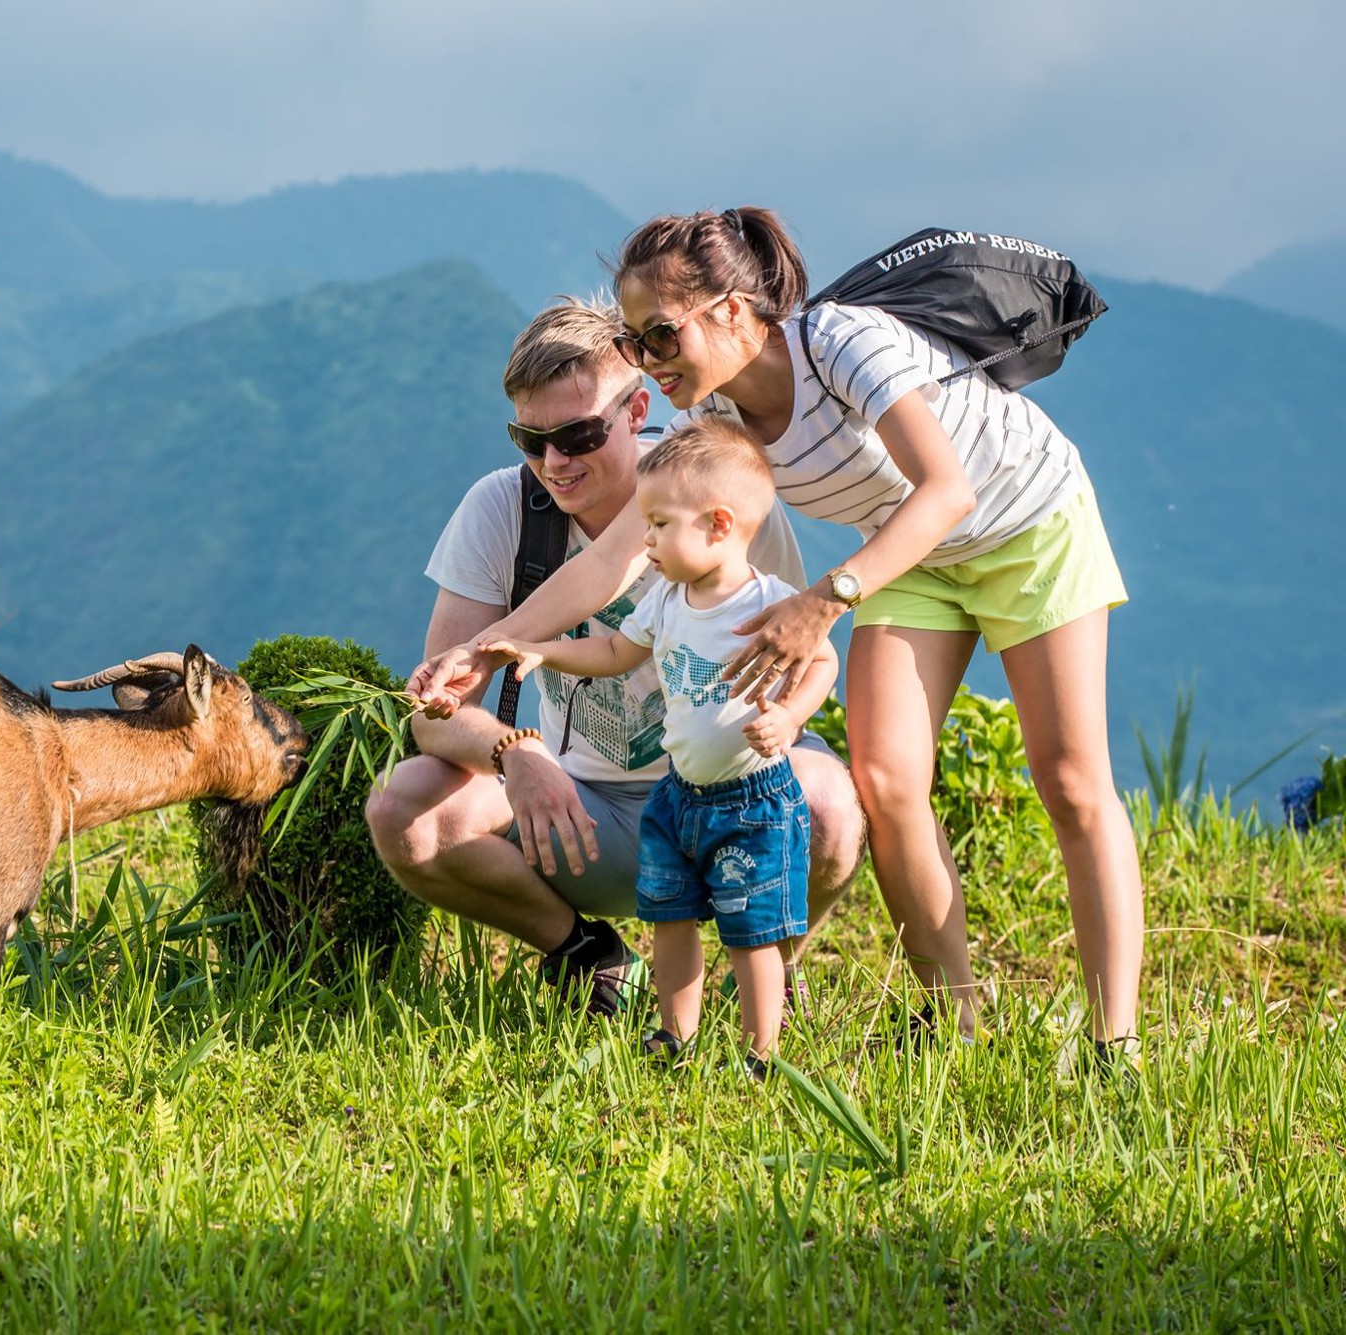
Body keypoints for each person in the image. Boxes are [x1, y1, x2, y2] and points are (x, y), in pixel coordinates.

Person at [412, 210, 1143, 1069]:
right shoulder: (714, 416)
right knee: (884, 778)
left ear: (729, 309)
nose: (650, 361)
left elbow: (947, 491)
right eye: (635, 341)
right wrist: (493, 644)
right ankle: (958, 1026)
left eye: (660, 334)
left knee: (1070, 780)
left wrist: (827, 599)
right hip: (909, 556)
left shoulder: (843, 344)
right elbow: (614, 560)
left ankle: (1113, 1043)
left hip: (1024, 524)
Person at [365, 298, 864, 1017]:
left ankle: (762, 969)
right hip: (587, 813)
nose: (554, 463)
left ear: (636, 413)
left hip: (733, 799)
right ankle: (586, 954)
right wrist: (516, 754)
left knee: (829, 806)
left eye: (579, 435)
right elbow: (436, 715)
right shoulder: (499, 510)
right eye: (530, 440)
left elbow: (798, 655)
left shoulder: (719, 500)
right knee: (404, 804)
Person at [482, 419, 836, 1070]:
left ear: (719, 526)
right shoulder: (667, 600)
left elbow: (821, 664)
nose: (644, 540)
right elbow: (615, 651)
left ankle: (762, 1052)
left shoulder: (769, 602)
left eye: (660, 525)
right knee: (670, 917)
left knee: (752, 929)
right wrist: (540, 648)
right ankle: (676, 1035)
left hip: (752, 794)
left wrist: (789, 720)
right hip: (680, 795)